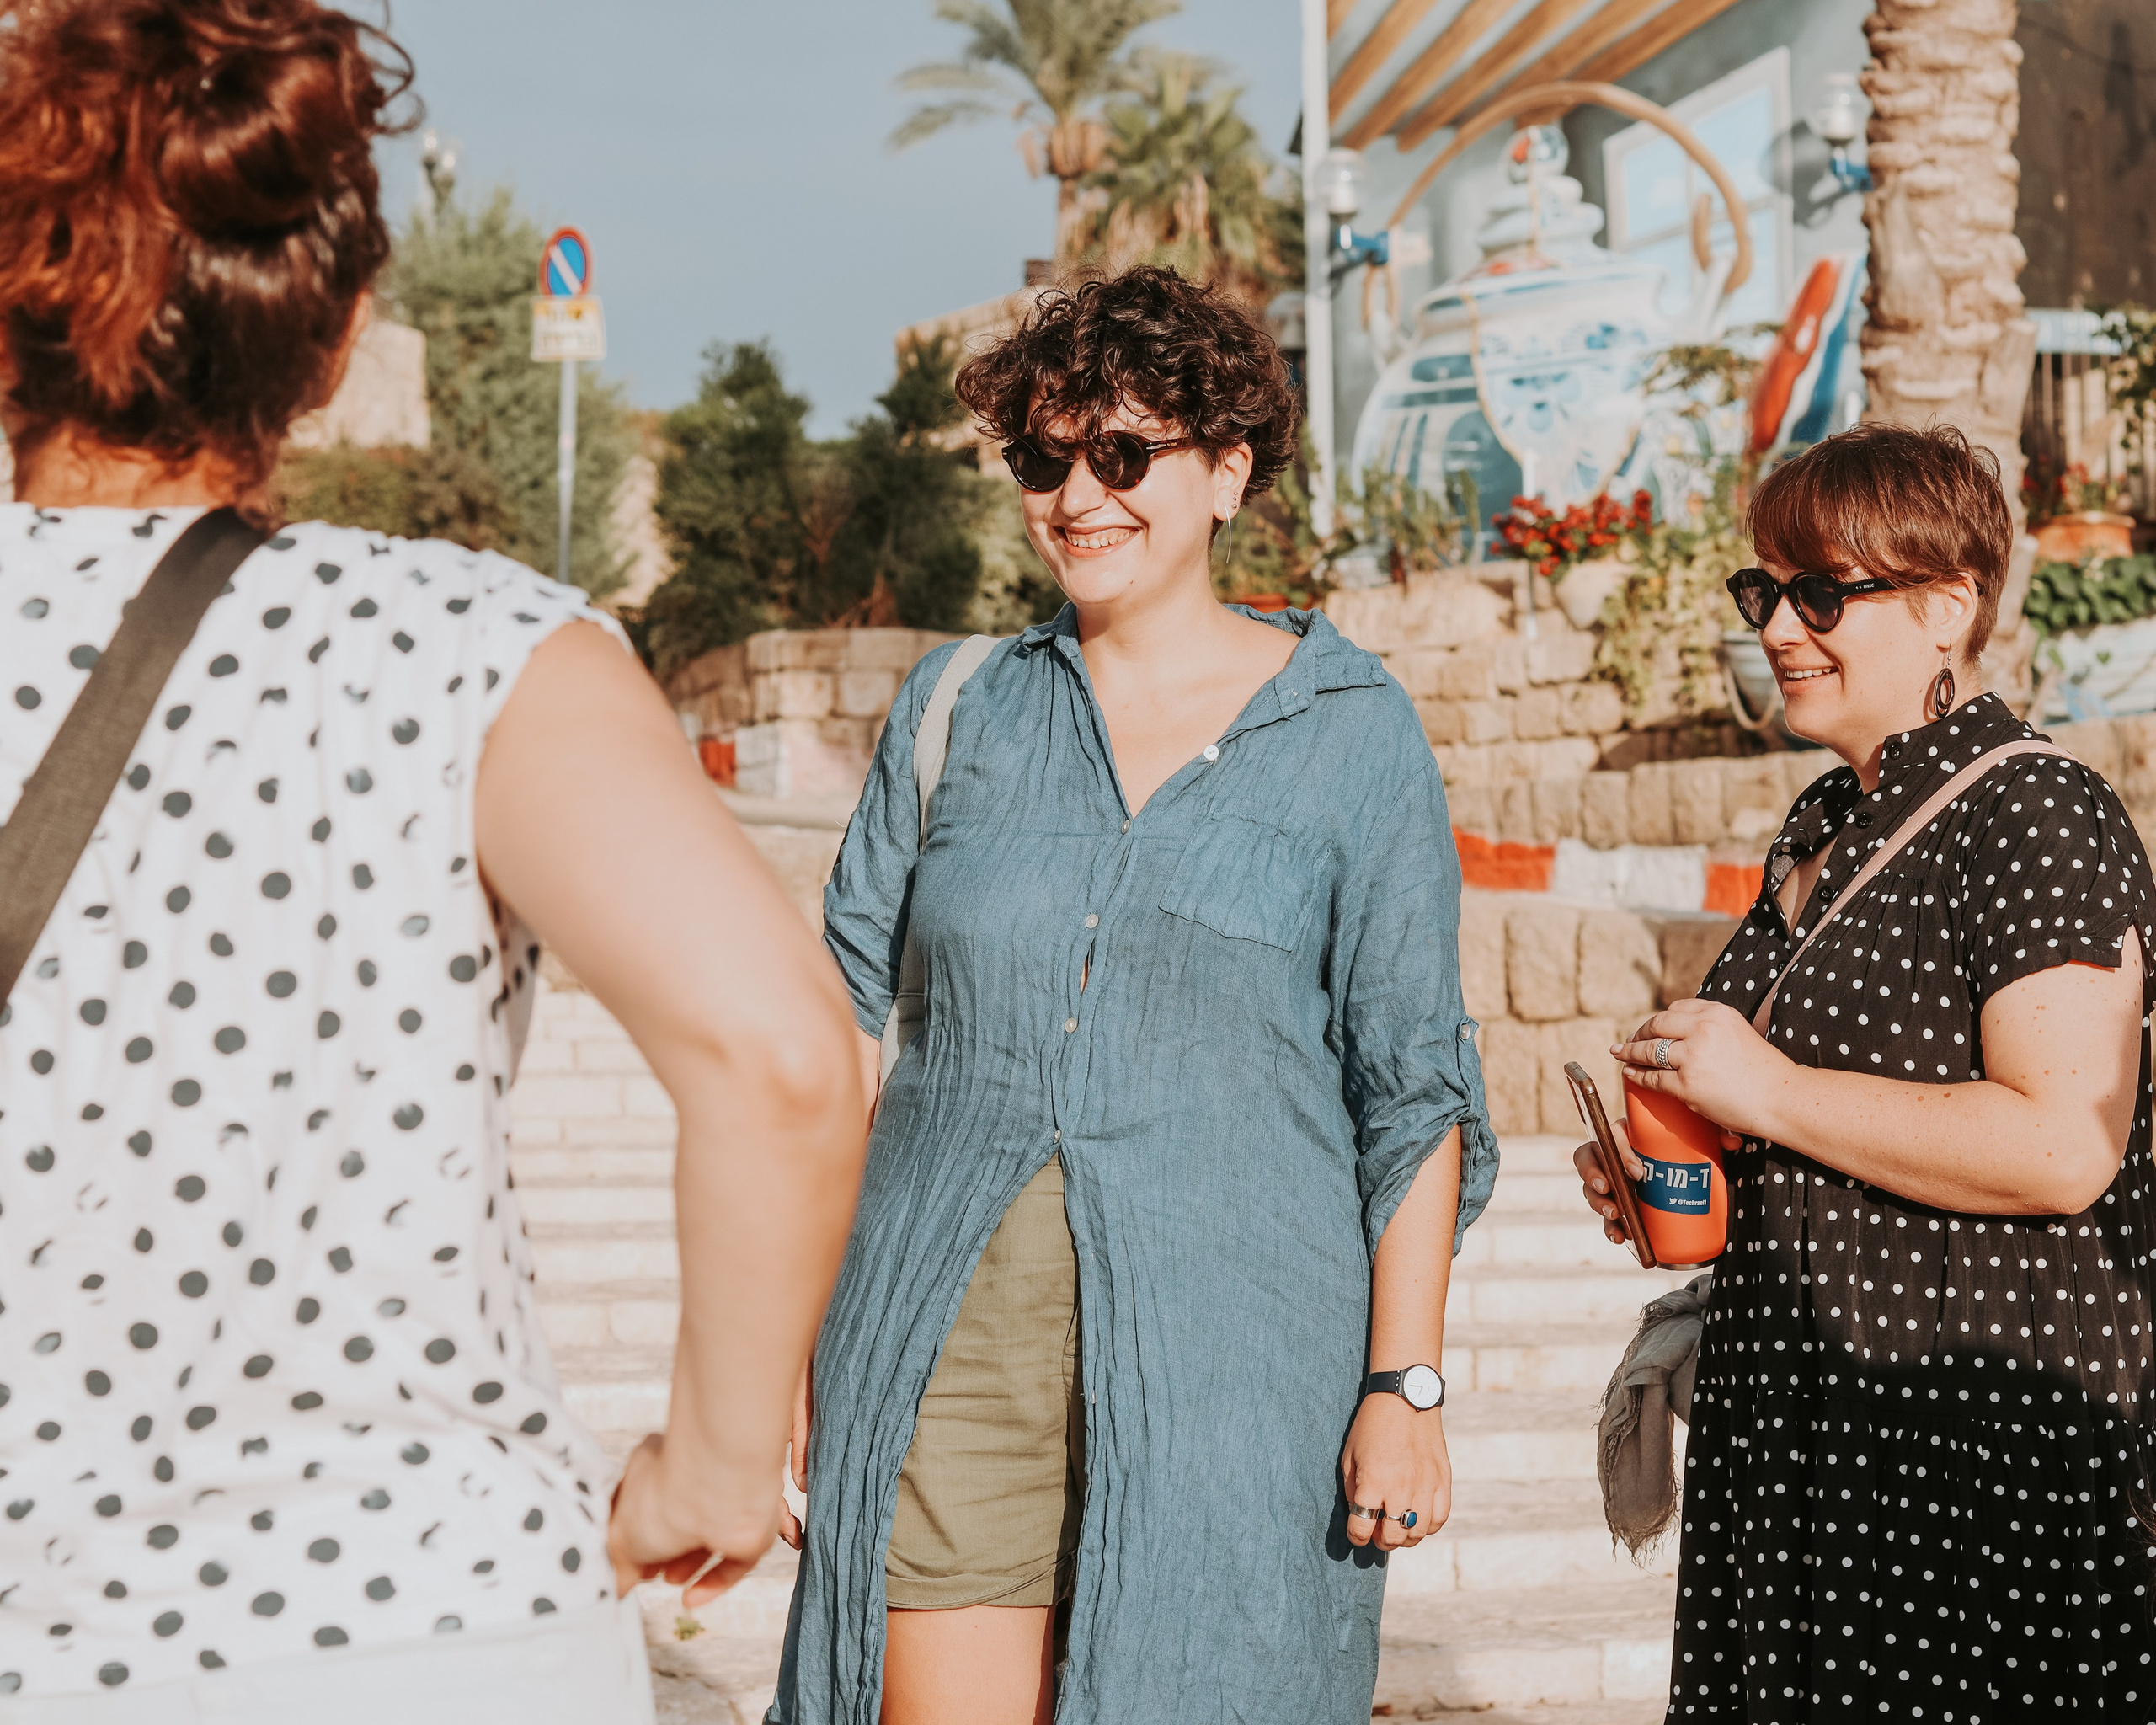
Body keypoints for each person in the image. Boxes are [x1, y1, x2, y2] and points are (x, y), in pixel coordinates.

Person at [0, 3, 866, 1717]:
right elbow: (778, 1062)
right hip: (440, 1622)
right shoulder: (476, 649)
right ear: (331, 340)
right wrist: (707, 1464)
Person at [770, 266, 1497, 1725]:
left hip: (1240, 1361)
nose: (1077, 496)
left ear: (1228, 471)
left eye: (1123, 453)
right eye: (1044, 460)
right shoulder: (961, 708)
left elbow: (1413, 1086)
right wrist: (786, 1343)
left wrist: (1402, 1388)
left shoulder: (1350, 735)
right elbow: (834, 1034)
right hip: (940, 1335)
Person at [1574, 423, 2156, 1719]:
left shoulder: (2034, 812)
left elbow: (2067, 1147)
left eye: (1823, 591)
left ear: (1950, 603)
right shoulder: (1826, 821)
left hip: (1959, 1460)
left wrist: (1764, 1094)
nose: (1780, 625)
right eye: (1764, 588)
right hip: (1803, 1443)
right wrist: (1680, 1170)